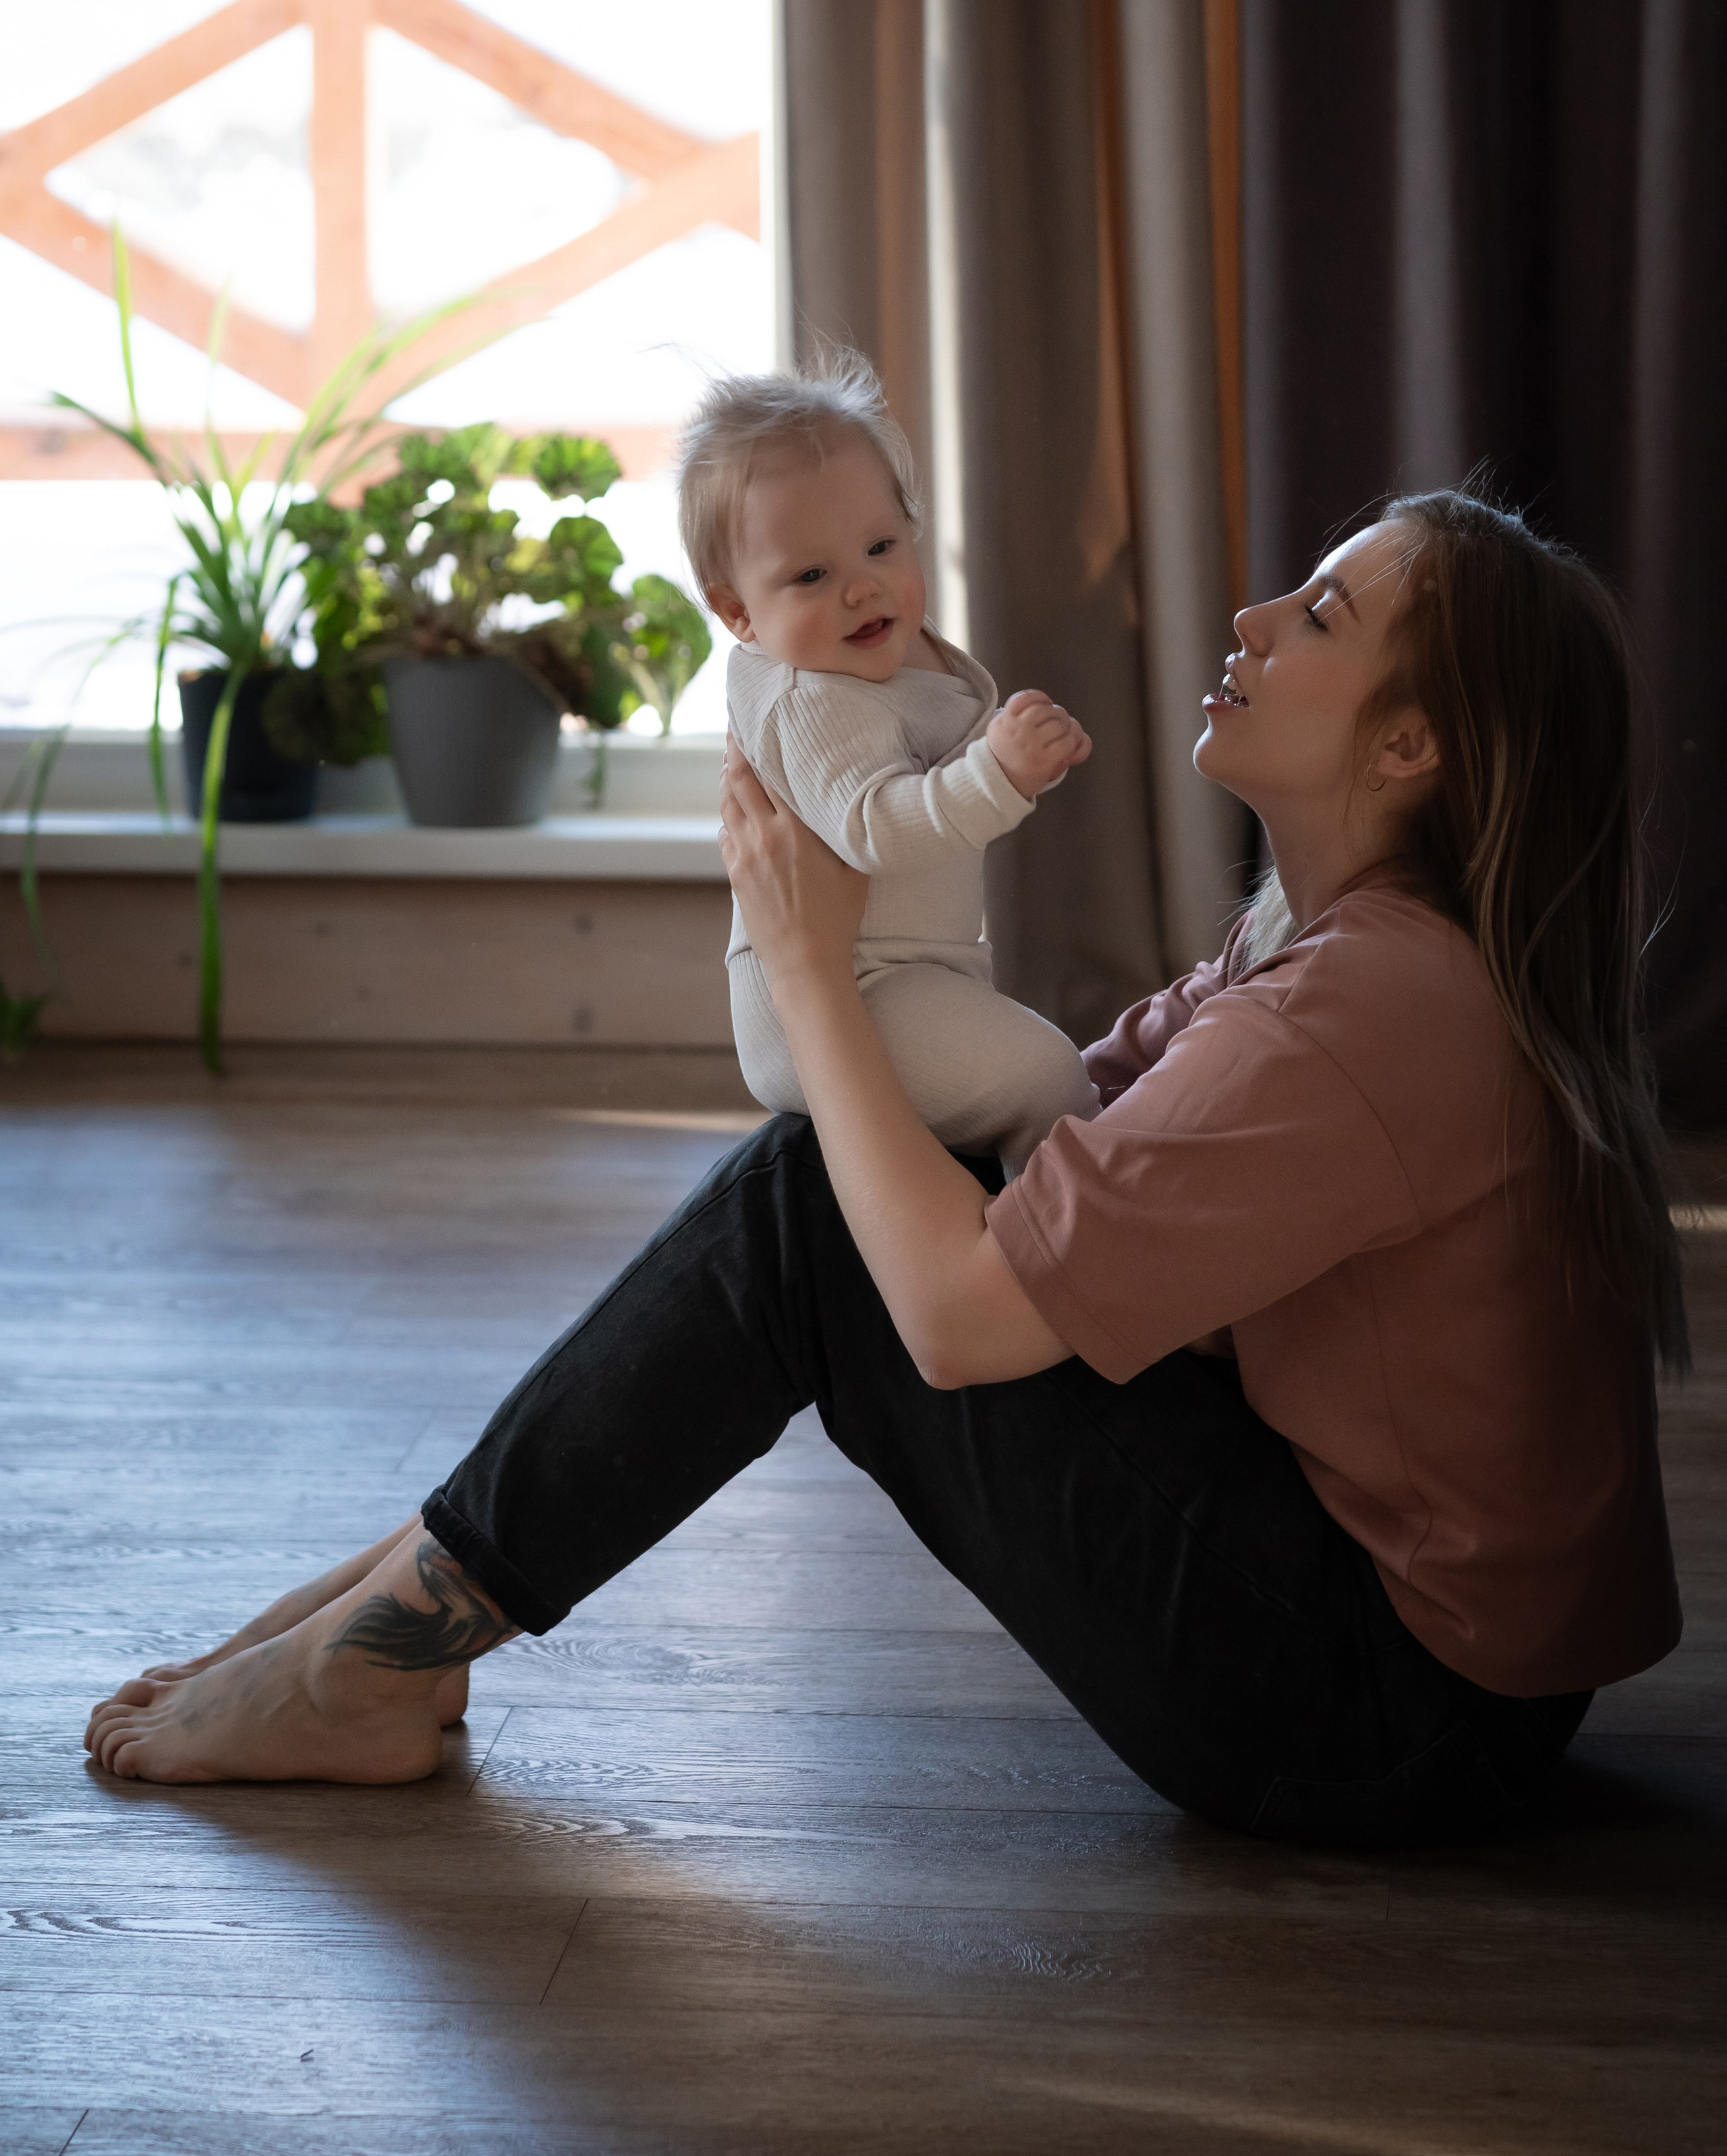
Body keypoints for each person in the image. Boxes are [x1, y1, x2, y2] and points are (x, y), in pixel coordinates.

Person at [85, 482, 1686, 1848]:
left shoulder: (1369, 1004)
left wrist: (805, 965)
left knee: (817, 1211)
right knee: (858, 1166)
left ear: (1408, 744)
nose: (1256, 612)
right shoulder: (1319, 949)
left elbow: (956, 1319)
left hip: (1385, 1723)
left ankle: (379, 1653)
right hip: (1448, 1690)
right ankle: (384, 1620)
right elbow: (1045, 1135)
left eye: (1321, 615)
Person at [681, 357, 1098, 1175]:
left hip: (908, 971)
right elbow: (874, 827)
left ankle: (1019, 1215)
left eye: (879, 545)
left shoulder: (890, 653)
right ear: (738, 613)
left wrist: (1014, 746)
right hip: (842, 991)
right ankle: (1058, 1253)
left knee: (1023, 1073)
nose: (861, 589)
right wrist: (999, 776)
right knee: (1047, 1078)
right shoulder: (812, 697)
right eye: (810, 575)